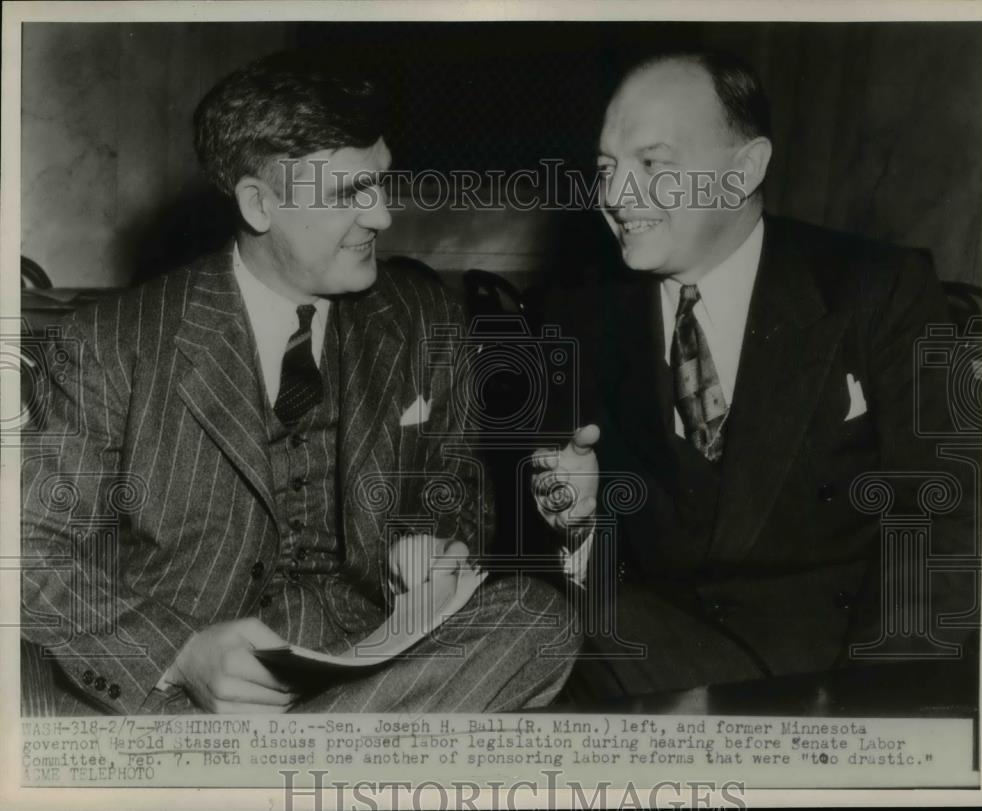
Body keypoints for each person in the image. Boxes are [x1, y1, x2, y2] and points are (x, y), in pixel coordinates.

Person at [20, 51, 578, 716]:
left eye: (381, 184)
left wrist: (432, 541)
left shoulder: (421, 314)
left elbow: (454, 481)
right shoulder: (111, 344)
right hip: (201, 682)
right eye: (349, 195)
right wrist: (178, 652)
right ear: (259, 204)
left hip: (377, 659)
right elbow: (29, 551)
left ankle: (266, 768)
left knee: (540, 621)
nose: (382, 217)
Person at [531, 50, 977, 700]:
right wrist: (580, 520)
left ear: (743, 170)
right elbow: (566, 549)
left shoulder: (878, 288)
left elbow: (945, 516)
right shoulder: (575, 314)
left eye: (652, 164)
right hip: (654, 647)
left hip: (837, 661)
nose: (615, 196)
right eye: (605, 169)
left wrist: (877, 702)